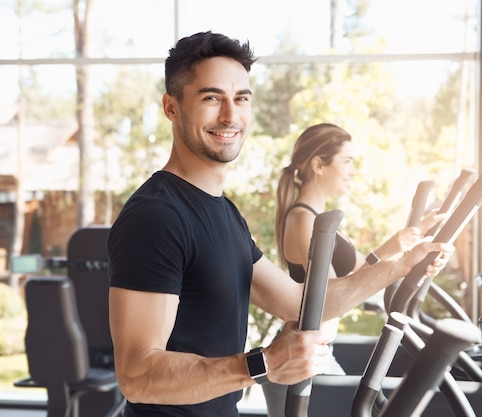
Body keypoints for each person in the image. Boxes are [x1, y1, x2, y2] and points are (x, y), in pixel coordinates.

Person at [107, 31, 453, 417]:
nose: (230, 115)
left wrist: (401, 266)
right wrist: (263, 363)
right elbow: (137, 375)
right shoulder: (156, 216)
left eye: (241, 99)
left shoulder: (225, 214)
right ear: (172, 107)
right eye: (211, 98)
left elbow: (299, 303)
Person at [262, 123, 445, 416]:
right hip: (300, 364)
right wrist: (400, 264)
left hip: (317, 356)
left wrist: (402, 241)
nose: (353, 171)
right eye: (347, 161)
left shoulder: (319, 218)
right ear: (319, 165)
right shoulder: (303, 221)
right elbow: (335, 298)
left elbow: (360, 268)